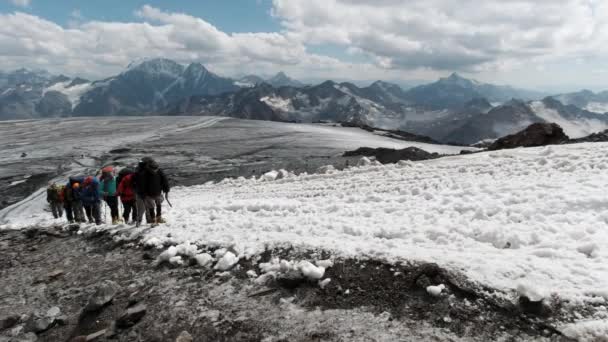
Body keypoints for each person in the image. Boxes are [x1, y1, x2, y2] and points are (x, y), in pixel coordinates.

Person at [134, 157, 170, 227]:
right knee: (151, 207)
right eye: (153, 169)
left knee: (158, 204)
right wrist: (142, 194)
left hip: (157, 192)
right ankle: (153, 221)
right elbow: (141, 185)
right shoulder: (143, 174)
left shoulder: (159, 171)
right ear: (148, 166)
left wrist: (166, 189)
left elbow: (164, 180)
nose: (155, 170)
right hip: (147, 194)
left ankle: (158, 217)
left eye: (156, 168)